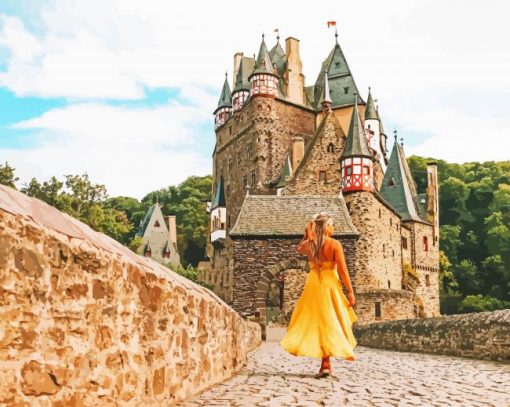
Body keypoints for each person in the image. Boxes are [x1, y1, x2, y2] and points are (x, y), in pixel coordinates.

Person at [279, 212, 358, 378]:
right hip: (329, 283)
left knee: (316, 321)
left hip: (313, 283)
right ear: (327, 226)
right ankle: (326, 362)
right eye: (332, 224)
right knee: (330, 321)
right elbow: (343, 270)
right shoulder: (335, 244)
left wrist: (306, 235)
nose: (333, 227)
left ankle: (325, 363)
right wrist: (350, 291)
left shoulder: (310, 244)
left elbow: (299, 249)